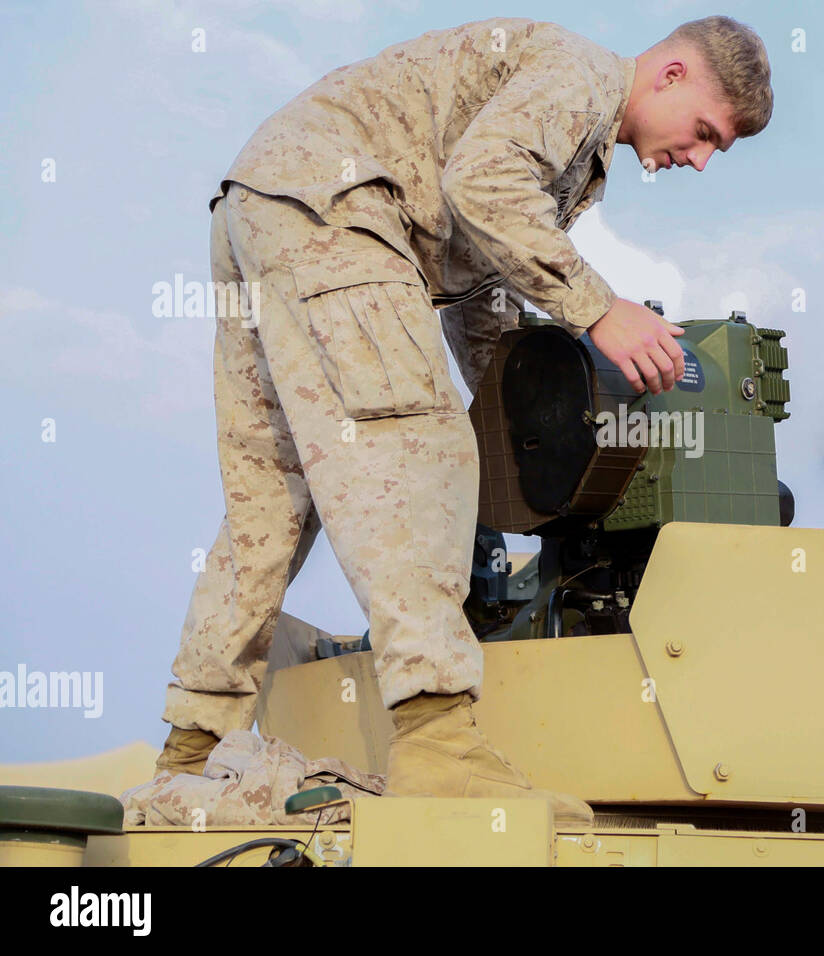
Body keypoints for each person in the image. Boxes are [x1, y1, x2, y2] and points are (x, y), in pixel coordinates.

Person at [151, 15, 773, 826]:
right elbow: (482, 187)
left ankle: (193, 746)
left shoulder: (569, 132)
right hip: (339, 210)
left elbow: (477, 285)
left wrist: (523, 410)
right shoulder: (581, 79)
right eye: (703, 134)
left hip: (264, 204)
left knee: (272, 501)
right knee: (423, 451)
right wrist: (599, 313)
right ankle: (438, 744)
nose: (694, 159)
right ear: (672, 74)